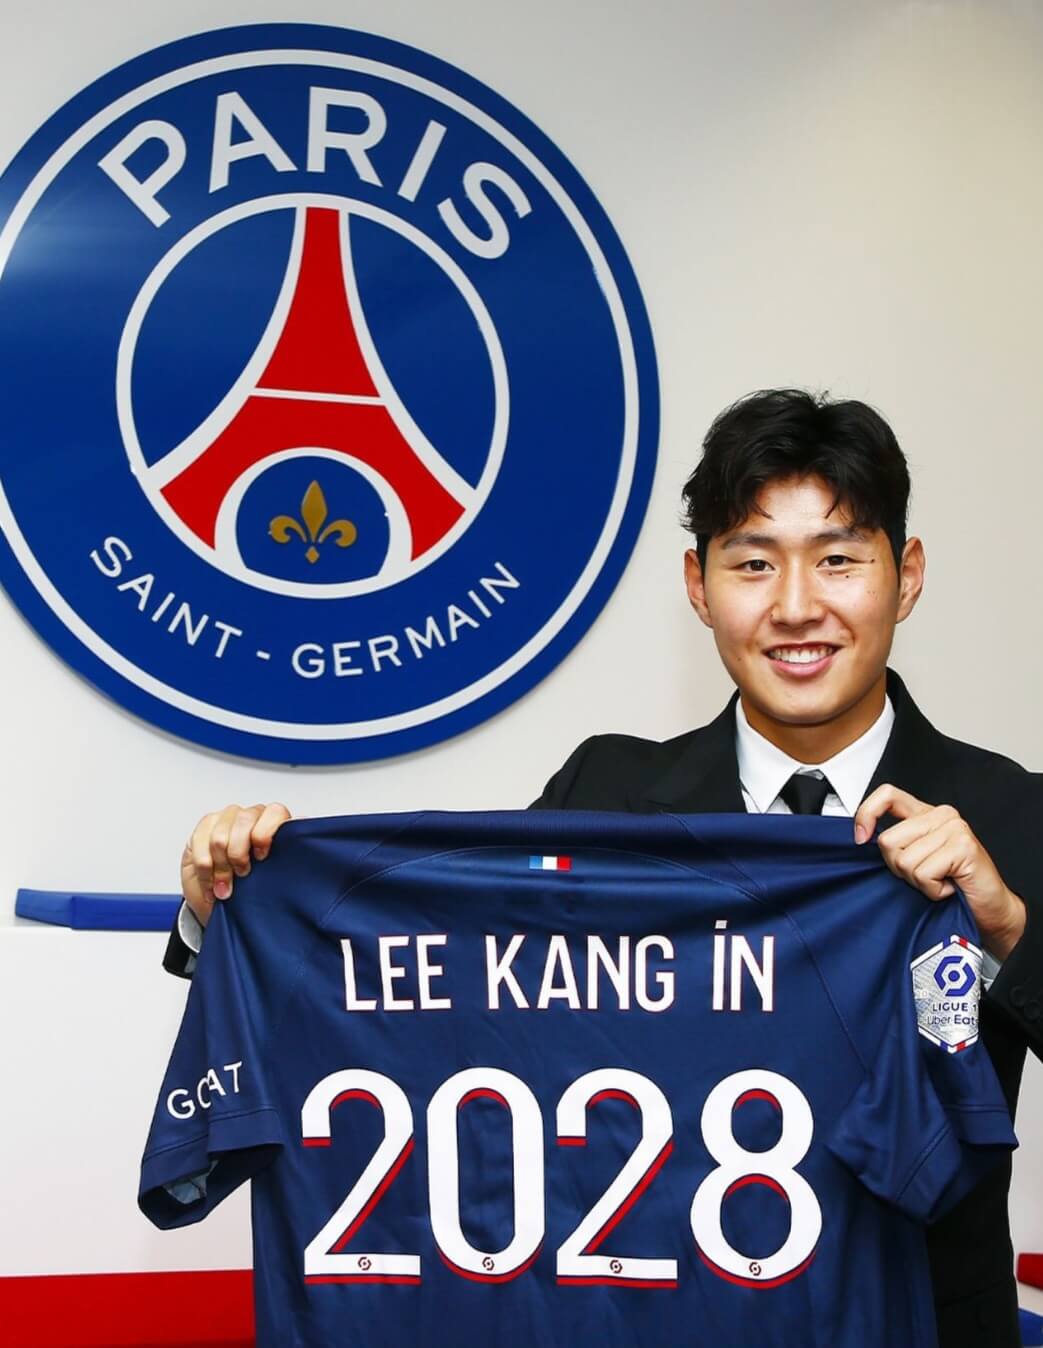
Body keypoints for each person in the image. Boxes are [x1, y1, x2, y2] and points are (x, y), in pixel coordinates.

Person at [165, 388, 1042, 1345]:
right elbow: (459, 1001)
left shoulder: (1008, 812)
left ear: (905, 577)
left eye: (838, 559)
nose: (796, 607)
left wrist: (1007, 929)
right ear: (698, 586)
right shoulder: (606, 793)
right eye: (753, 563)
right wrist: (241, 903)